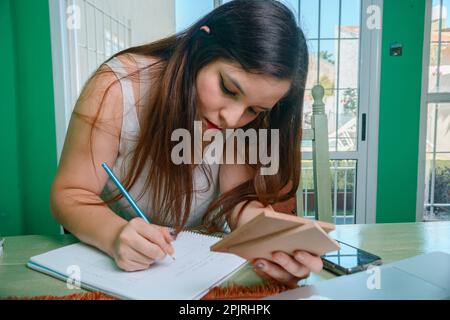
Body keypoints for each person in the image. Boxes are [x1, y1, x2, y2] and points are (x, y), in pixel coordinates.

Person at [50, 0, 322, 289]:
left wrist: (273, 240)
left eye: (254, 110)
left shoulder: (242, 122)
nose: (231, 118)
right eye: (228, 88)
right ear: (200, 46)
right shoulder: (117, 87)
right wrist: (115, 233)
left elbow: (238, 204)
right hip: (113, 276)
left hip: (193, 276)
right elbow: (70, 193)